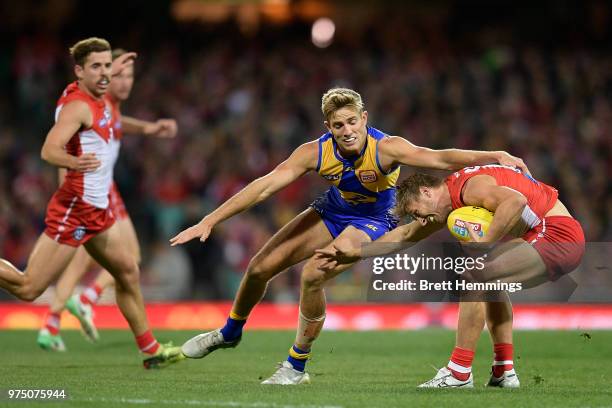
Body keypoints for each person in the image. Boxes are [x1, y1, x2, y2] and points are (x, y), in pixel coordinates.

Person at [170, 87, 529, 384]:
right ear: (328, 126)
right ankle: (230, 332)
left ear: (364, 119)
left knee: (312, 275)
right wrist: (210, 220)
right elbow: (265, 187)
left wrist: (494, 154)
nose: (347, 130)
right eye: (338, 124)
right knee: (259, 267)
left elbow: (439, 158)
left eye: (352, 121)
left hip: (376, 219)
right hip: (332, 211)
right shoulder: (314, 152)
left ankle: (295, 366)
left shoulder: (386, 147)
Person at [0, 37, 183, 369]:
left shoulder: (103, 101)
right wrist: (73, 162)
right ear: (79, 71)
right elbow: (48, 149)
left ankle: (151, 350)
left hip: (100, 213)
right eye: (96, 67)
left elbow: (114, 124)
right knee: (28, 288)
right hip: (76, 210)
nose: (104, 73)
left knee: (128, 270)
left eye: (107, 67)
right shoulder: (78, 106)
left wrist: (150, 128)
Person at [316, 164, 585, 387]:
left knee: (474, 276)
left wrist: (485, 242)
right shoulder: (451, 199)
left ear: (425, 192)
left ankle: (459, 372)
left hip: (557, 235)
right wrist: (356, 253)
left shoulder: (469, 188)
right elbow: (405, 235)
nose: (419, 219)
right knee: (489, 282)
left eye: (415, 212)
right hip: (546, 233)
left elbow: (516, 200)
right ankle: (504, 370)